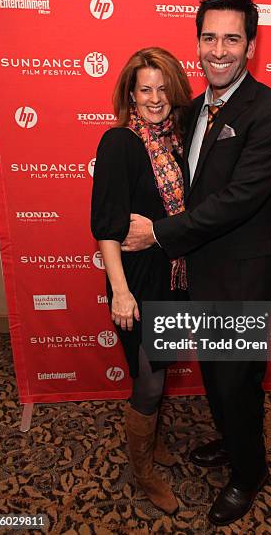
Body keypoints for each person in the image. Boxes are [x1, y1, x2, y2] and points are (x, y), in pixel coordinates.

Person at [122, 0, 271, 526]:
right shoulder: (193, 109)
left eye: (232, 38)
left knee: (237, 380)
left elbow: (239, 198)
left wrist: (158, 234)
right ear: (196, 42)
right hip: (195, 271)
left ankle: (250, 473)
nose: (219, 49)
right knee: (218, 376)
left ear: (251, 45)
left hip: (241, 276)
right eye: (209, 37)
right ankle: (232, 442)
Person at [91, 47, 191, 514]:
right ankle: (143, 469)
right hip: (136, 280)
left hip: (172, 275)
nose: (154, 98)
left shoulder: (176, 142)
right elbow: (107, 227)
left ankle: (149, 445)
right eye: (144, 88)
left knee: (159, 369)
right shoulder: (120, 143)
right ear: (131, 92)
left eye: (162, 88)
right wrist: (122, 293)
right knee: (149, 381)